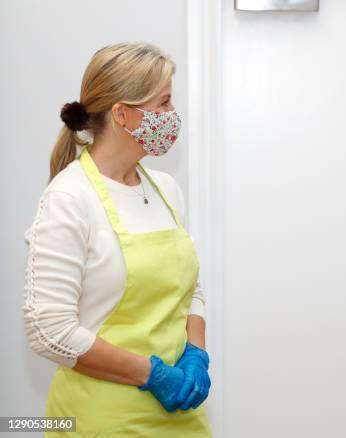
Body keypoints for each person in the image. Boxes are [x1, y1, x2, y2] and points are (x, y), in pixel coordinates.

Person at [22, 42, 212, 437]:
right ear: (122, 114)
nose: (171, 116)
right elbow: (49, 331)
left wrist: (196, 353)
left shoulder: (165, 189)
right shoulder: (69, 197)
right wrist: (153, 375)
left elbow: (190, 289)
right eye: (163, 104)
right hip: (102, 418)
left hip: (180, 418)